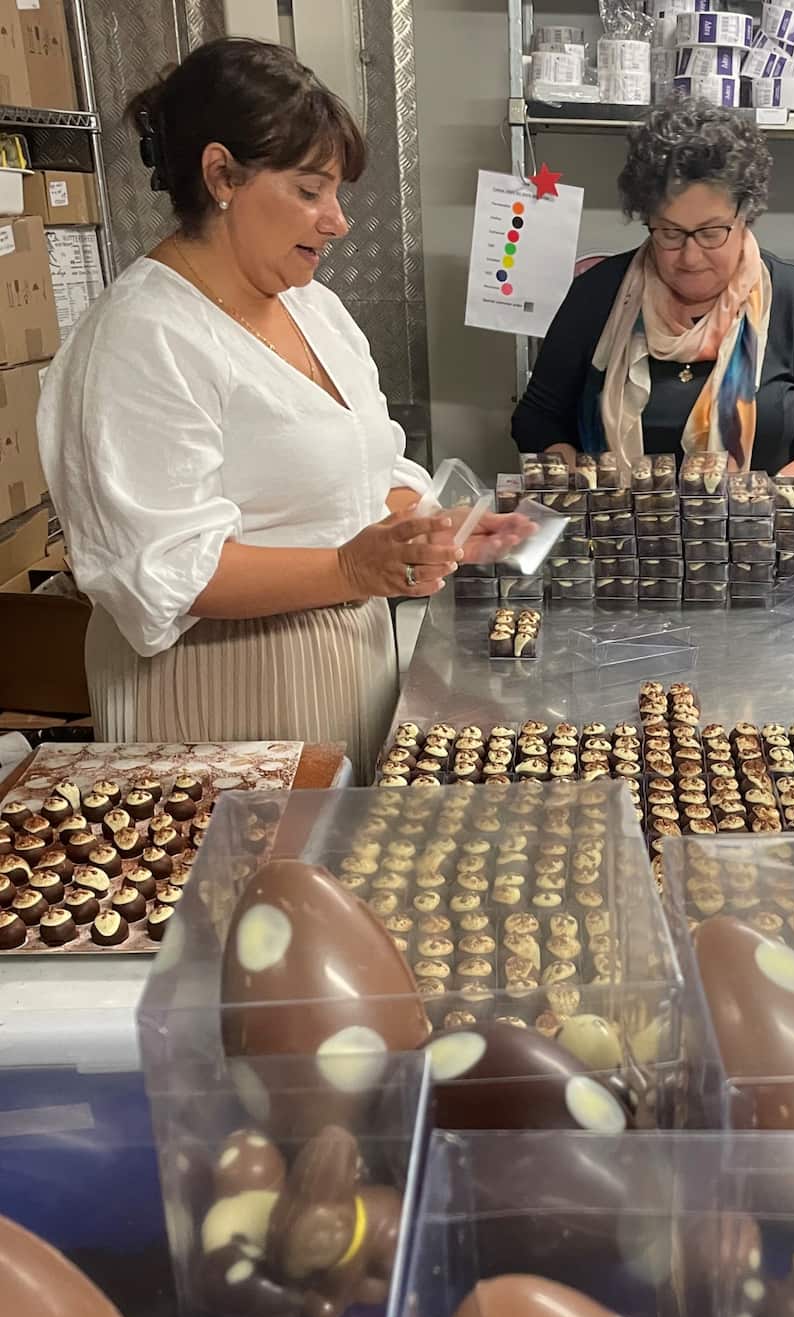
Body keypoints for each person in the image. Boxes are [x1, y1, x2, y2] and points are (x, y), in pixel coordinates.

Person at [39, 39, 514, 779]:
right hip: (219, 694)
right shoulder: (143, 335)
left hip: (343, 668)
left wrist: (428, 525)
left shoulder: (312, 309)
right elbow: (162, 572)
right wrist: (354, 569)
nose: (337, 221)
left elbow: (362, 466)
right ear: (222, 174)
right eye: (310, 190)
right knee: (246, 888)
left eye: (337, 194)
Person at [511, 101, 794, 487]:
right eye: (670, 233)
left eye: (711, 233)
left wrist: (772, 492)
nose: (691, 257)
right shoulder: (598, 295)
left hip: (754, 534)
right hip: (619, 537)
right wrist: (586, 486)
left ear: (745, 215)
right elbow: (537, 418)